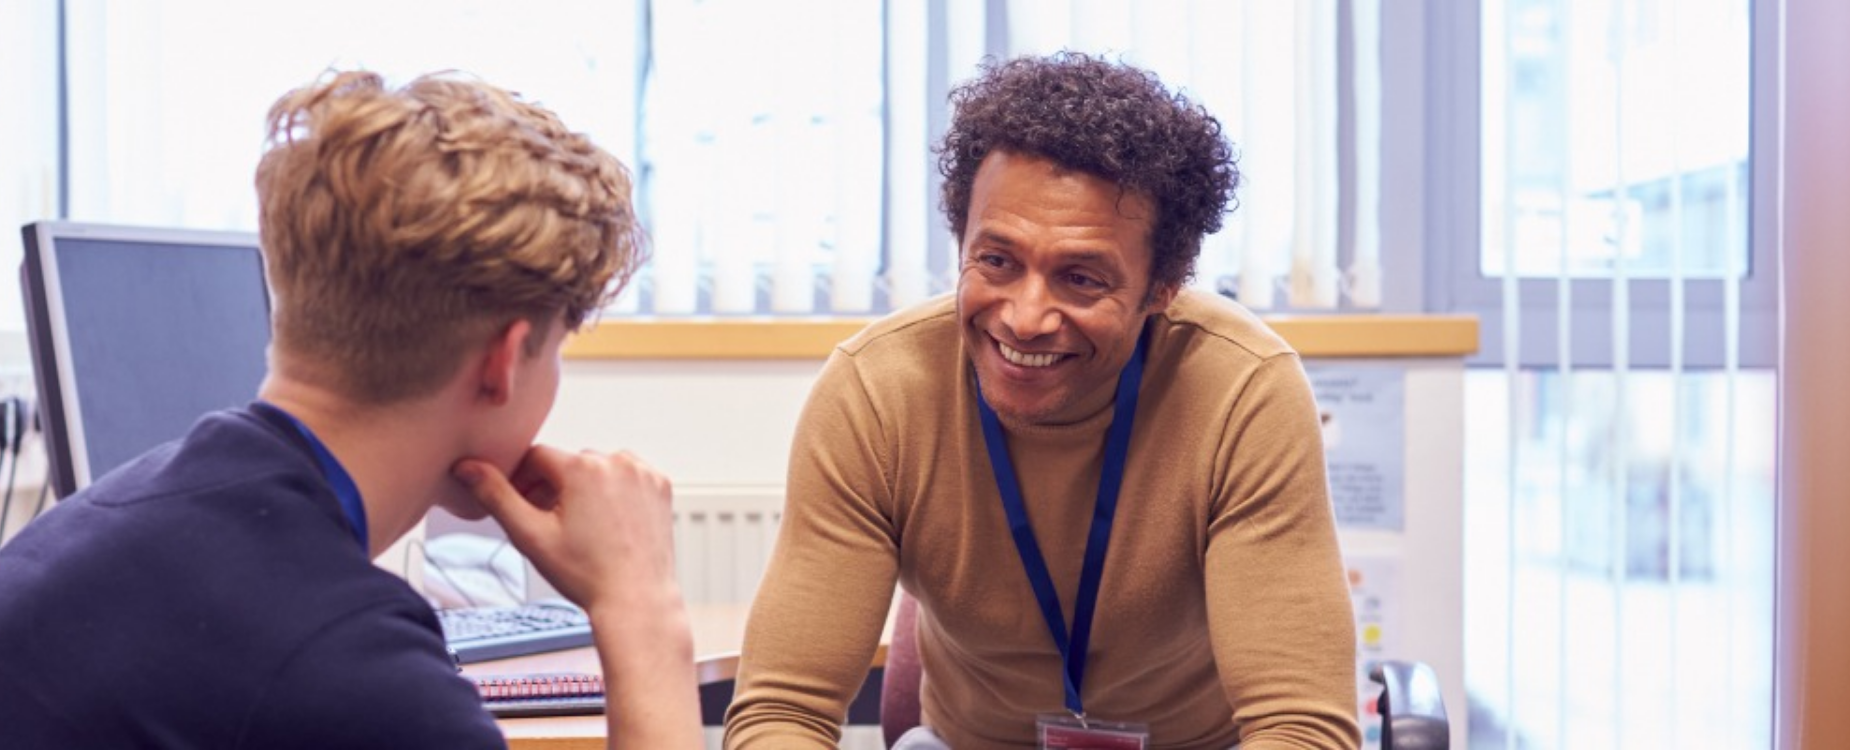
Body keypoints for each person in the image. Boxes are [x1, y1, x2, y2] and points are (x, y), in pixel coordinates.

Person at [0, 71, 701, 749]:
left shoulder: (95, 524)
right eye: (559, 349)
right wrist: (641, 608)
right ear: (504, 360)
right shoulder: (354, 671)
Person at [725, 52, 1360, 749]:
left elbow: (1300, 729)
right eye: (996, 261)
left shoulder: (1243, 392)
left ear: (1162, 286)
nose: (1025, 317)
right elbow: (783, 712)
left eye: (1081, 278)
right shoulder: (878, 393)